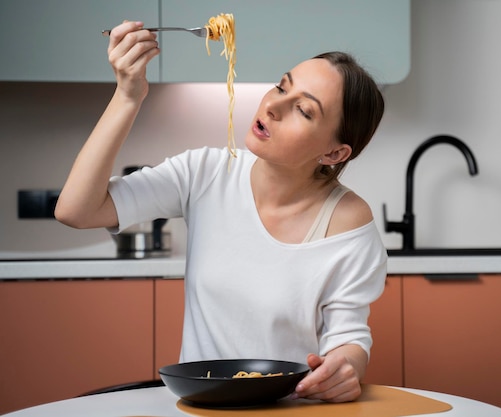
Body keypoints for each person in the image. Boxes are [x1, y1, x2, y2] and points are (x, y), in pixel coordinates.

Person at [55, 21, 387, 403]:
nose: (273, 106)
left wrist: (344, 369)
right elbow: (76, 210)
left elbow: (348, 339)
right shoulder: (205, 173)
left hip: (291, 409)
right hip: (201, 407)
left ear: (333, 153)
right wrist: (128, 96)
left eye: (303, 110)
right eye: (281, 86)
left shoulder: (347, 222)